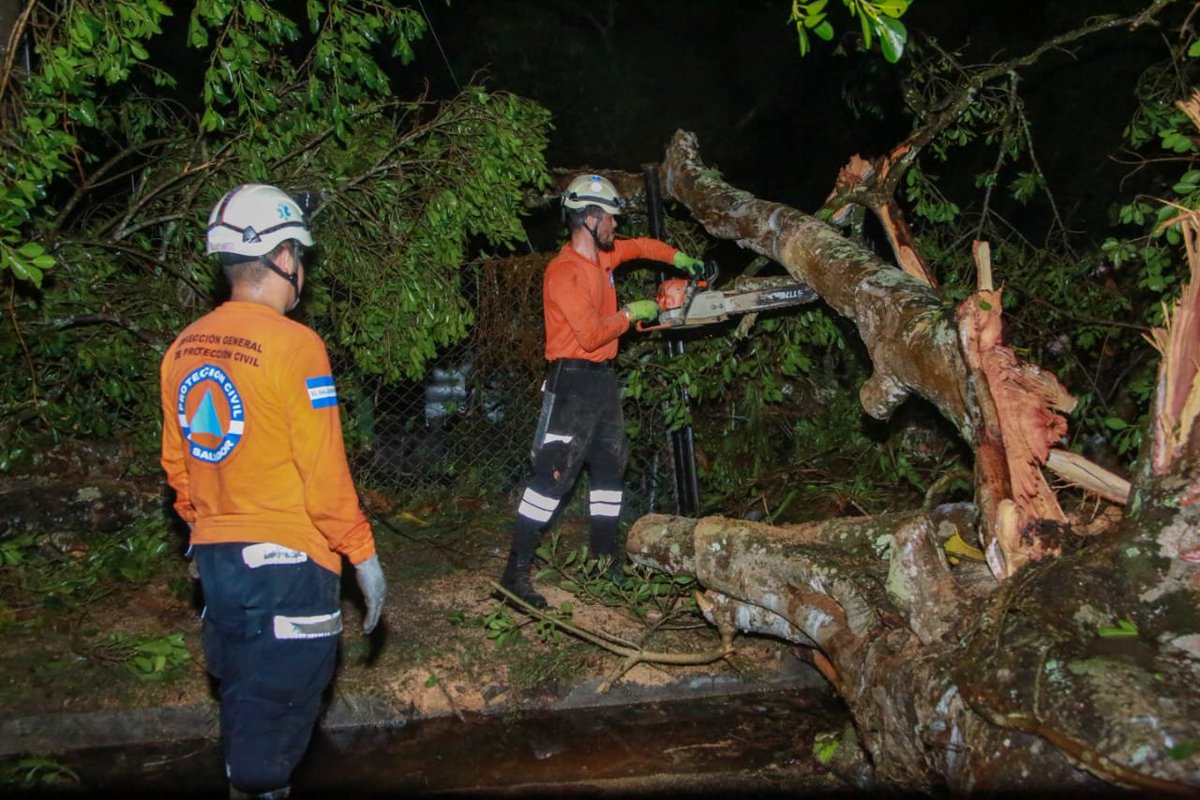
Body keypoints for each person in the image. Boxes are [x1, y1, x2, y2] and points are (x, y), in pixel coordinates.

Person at [160, 183, 386, 800]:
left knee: (246, 715)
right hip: (289, 569)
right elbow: (324, 473)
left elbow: (178, 470)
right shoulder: (297, 345)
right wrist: (362, 555)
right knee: (272, 743)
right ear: (286, 257)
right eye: (300, 256)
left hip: (218, 566)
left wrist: (211, 530)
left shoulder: (184, 346)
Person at [499, 174, 705, 609]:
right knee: (551, 479)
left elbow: (644, 247)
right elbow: (591, 335)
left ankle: (603, 560)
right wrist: (631, 312)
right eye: (610, 218)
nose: (615, 226)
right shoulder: (564, 273)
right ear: (590, 219)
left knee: (611, 471)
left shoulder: (603, 260)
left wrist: (679, 258)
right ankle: (514, 576)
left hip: (601, 383)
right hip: (571, 383)